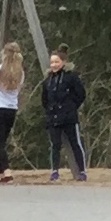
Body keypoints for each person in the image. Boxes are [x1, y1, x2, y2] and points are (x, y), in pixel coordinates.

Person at [39, 50, 90, 181]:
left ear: (63, 62)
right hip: (53, 117)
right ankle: (54, 171)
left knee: (75, 143)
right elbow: (44, 99)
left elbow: (81, 94)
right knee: (55, 145)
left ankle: (82, 171)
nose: (54, 65)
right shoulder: (47, 80)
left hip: (69, 117)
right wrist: (50, 110)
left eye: (57, 62)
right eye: (52, 62)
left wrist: (71, 107)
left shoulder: (71, 77)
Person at [0, 40, 25, 181]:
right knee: (3, 140)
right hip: (12, 109)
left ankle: (7, 171)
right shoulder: (20, 73)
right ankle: (1, 173)